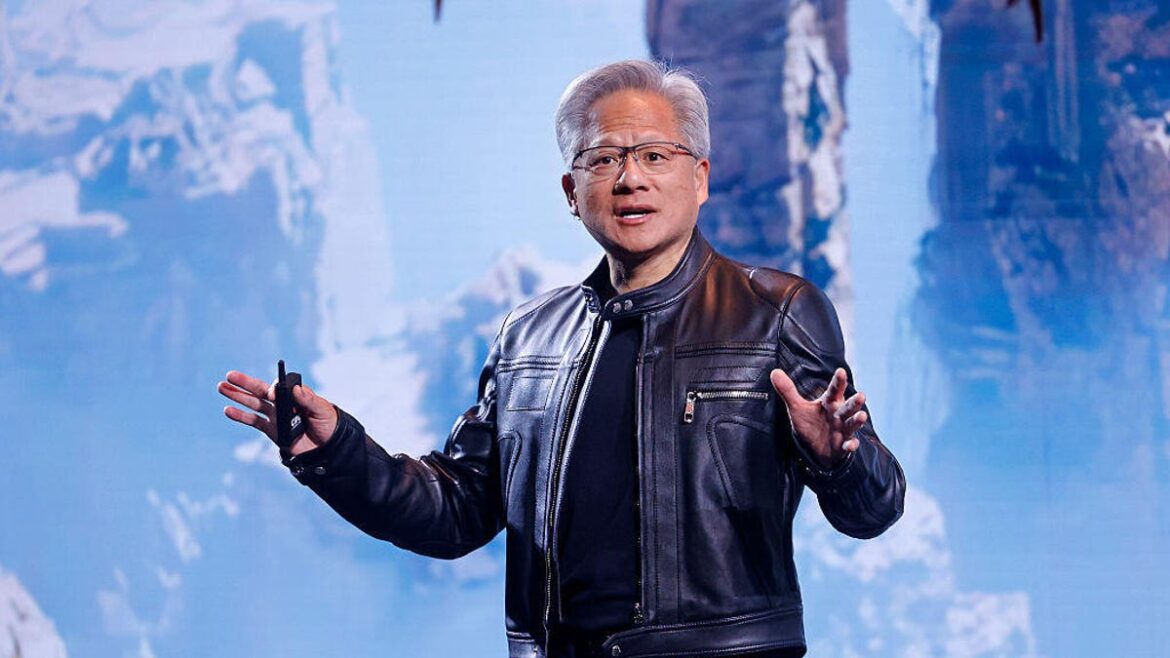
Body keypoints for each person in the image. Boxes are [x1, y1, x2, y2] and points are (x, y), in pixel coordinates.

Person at [219, 59, 905, 658]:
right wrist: (336, 451)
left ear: (699, 178)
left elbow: (875, 508)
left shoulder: (776, 311)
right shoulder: (528, 337)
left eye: (655, 156)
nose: (629, 178)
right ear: (572, 195)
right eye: (603, 160)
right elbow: (457, 511)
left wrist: (837, 457)